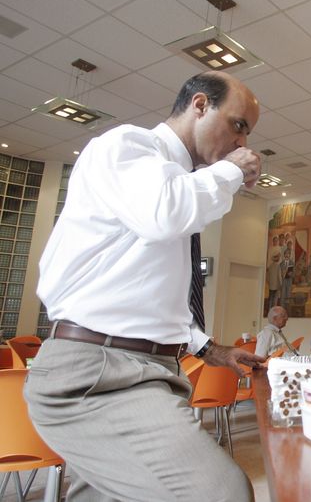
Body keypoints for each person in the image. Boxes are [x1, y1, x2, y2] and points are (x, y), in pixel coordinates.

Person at [24, 71, 267, 502]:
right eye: (238, 124)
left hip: (149, 371)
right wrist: (231, 170)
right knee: (222, 493)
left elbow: (149, 300)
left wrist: (213, 351)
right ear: (199, 106)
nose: (243, 143)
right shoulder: (127, 147)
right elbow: (166, 212)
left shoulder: (178, 182)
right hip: (98, 373)